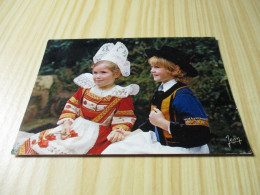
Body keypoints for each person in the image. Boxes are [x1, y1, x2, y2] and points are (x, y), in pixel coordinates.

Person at [17, 42, 139, 155]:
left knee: (74, 149)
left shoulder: (121, 95)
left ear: (116, 74)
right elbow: (73, 104)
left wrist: (118, 130)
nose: (97, 76)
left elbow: (124, 117)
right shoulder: (86, 88)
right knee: (45, 142)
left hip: (97, 133)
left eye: (103, 72)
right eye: (95, 72)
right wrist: (67, 121)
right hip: (76, 125)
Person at [102, 46, 212, 154]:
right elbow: (152, 122)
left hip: (184, 148)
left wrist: (164, 124)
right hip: (162, 142)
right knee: (116, 149)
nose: (152, 71)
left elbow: (202, 134)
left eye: (157, 67)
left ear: (175, 69)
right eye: (152, 66)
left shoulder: (183, 95)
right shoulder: (161, 91)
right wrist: (130, 134)